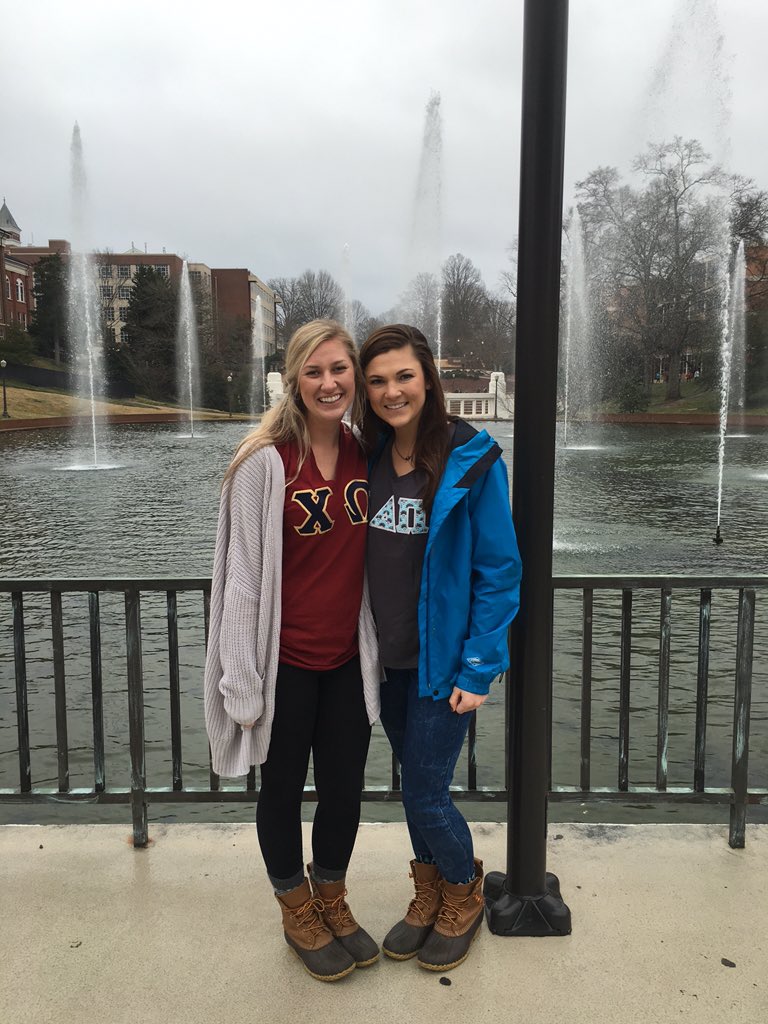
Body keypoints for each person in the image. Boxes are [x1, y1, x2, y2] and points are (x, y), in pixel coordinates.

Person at [204, 319, 381, 983]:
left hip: (344, 661)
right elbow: (242, 582)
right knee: (280, 793)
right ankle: (294, 907)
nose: (330, 382)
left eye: (340, 369)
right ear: (294, 379)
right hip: (283, 666)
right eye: (315, 371)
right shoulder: (264, 464)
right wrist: (239, 679)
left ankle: (330, 895)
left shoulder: (366, 451)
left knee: (343, 793)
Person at [359, 323, 521, 972]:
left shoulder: (472, 458)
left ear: (427, 377)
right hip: (384, 659)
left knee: (426, 793)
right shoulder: (364, 458)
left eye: (403, 376)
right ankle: (426, 897)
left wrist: (480, 665)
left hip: (442, 664)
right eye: (377, 381)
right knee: (412, 787)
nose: (392, 391)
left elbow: (499, 570)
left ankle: (463, 893)